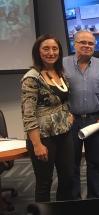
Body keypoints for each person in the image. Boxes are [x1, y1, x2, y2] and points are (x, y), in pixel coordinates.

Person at [21, 34, 74, 202]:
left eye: (55, 48)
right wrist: (37, 145)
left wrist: (68, 114)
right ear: (38, 51)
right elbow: (27, 113)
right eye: (46, 48)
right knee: (45, 182)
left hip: (64, 134)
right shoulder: (31, 77)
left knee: (67, 178)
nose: (51, 52)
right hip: (43, 138)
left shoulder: (59, 72)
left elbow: (62, 99)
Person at [63, 30, 99, 199]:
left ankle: (94, 198)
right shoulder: (62, 64)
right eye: (82, 42)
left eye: (90, 43)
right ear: (74, 44)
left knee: (95, 163)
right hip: (72, 121)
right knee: (72, 164)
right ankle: (75, 200)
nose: (87, 46)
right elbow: (56, 92)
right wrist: (65, 112)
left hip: (95, 120)